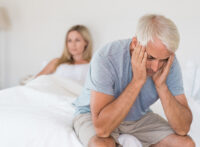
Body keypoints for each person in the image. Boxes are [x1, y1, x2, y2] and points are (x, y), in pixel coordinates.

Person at [73, 14, 195, 147]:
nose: (156, 67)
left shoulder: (169, 63)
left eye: (163, 60)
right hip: (93, 115)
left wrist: (161, 86)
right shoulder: (106, 57)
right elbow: (102, 129)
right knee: (101, 144)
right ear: (136, 43)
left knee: (186, 144)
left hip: (137, 117)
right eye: (150, 57)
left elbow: (183, 128)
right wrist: (137, 81)